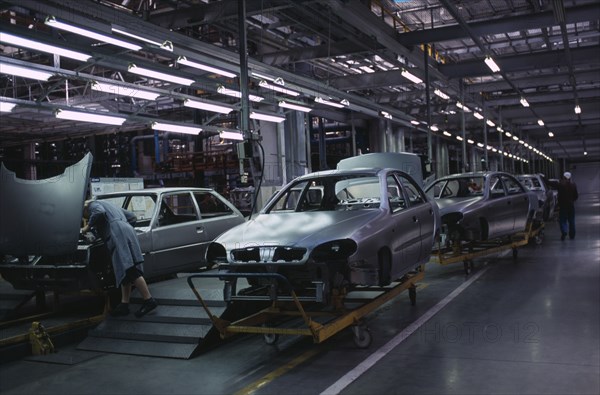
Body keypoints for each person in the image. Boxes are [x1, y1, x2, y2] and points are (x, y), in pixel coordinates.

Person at [81, 199, 158, 317]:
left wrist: (87, 227)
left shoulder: (92, 205)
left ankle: (149, 300)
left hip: (117, 234)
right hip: (127, 232)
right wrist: (123, 227)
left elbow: (99, 212)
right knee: (124, 269)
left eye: (85, 215)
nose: (87, 217)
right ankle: (124, 304)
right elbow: (132, 217)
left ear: (85, 208)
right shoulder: (110, 205)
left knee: (130, 269)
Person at [555, 172, 579, 241]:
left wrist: (544, 178)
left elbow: (551, 184)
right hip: (571, 205)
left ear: (564, 177)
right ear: (570, 177)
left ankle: (564, 231)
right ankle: (572, 235)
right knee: (572, 221)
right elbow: (576, 196)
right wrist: (572, 200)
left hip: (563, 206)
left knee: (562, 220)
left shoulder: (560, 184)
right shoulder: (573, 185)